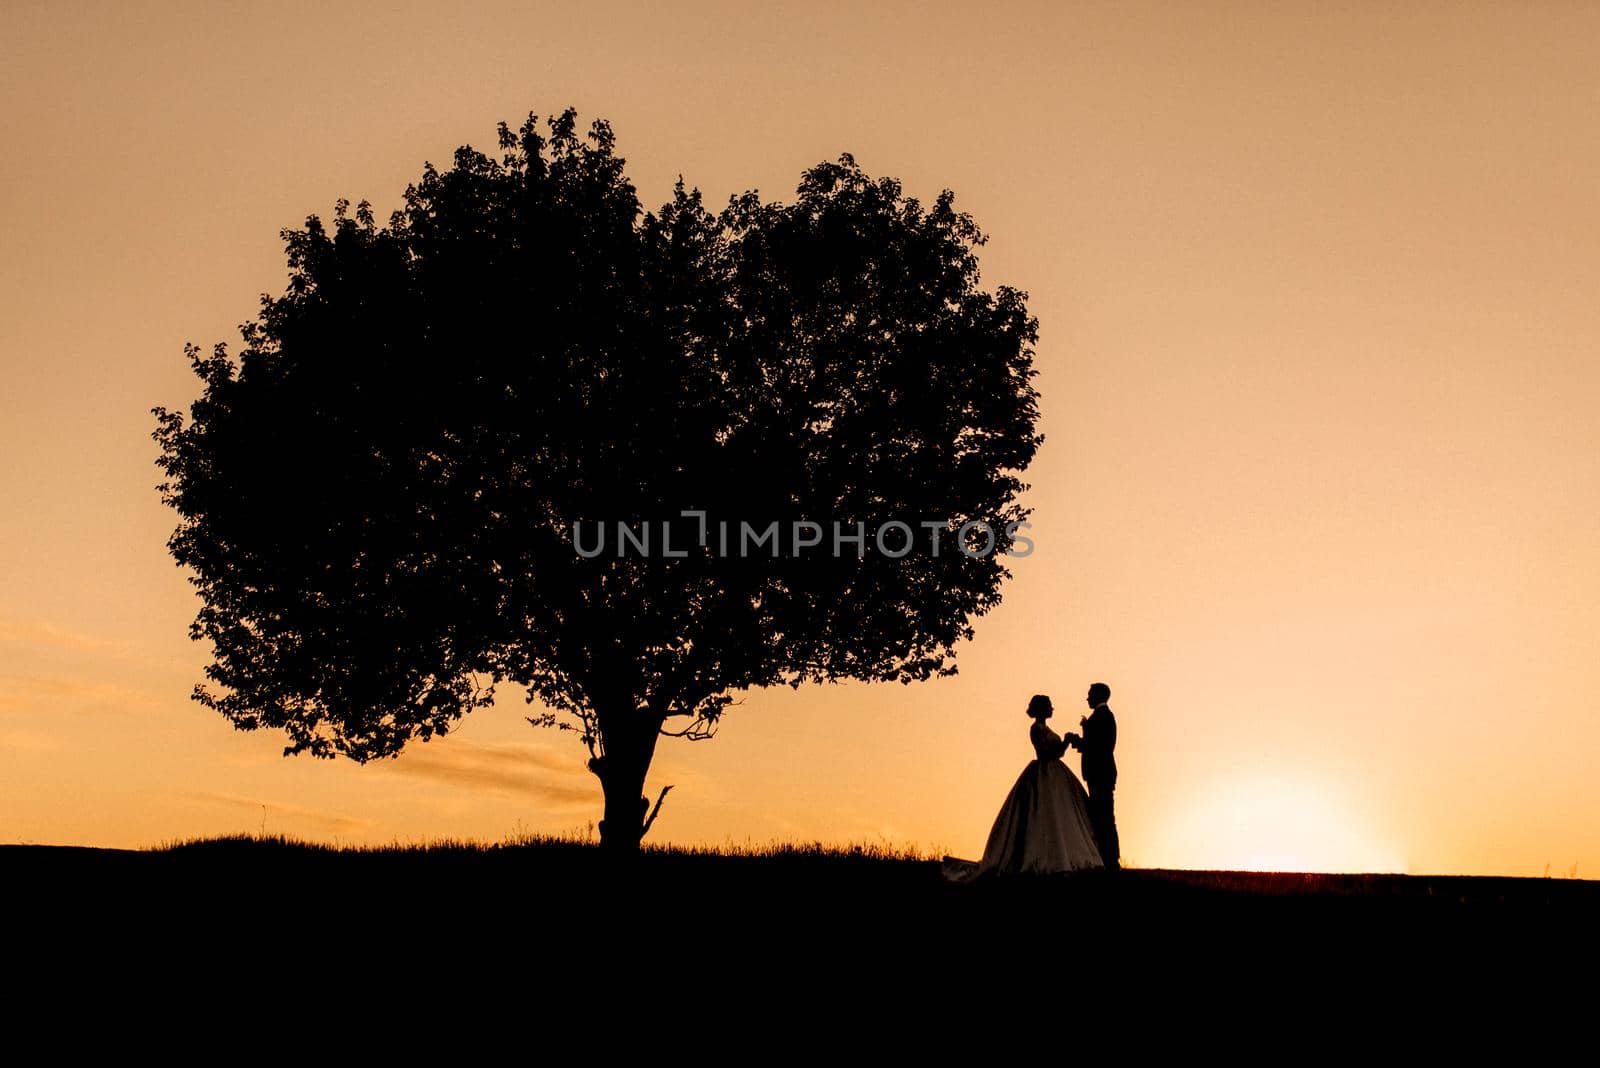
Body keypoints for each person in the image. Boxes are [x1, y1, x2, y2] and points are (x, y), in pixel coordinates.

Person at [941, 694, 1103, 880]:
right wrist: (1066, 742)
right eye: (1050, 706)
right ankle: (1046, 858)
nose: (1052, 709)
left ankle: (1061, 855)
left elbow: (1056, 752)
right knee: (1045, 815)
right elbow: (1047, 752)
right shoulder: (1035, 729)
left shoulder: (1044, 728)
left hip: (1055, 774)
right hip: (1045, 774)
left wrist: (1066, 743)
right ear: (1042, 709)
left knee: (1059, 816)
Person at [1064, 682, 1119, 869]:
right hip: (1098, 773)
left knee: (1105, 816)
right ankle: (1105, 856)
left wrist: (1078, 739)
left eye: (1089, 694)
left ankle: (1111, 858)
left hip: (1101, 774)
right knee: (1099, 815)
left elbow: (1100, 747)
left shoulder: (1104, 717)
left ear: (1098, 696)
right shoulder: (1101, 716)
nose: (1087, 698)